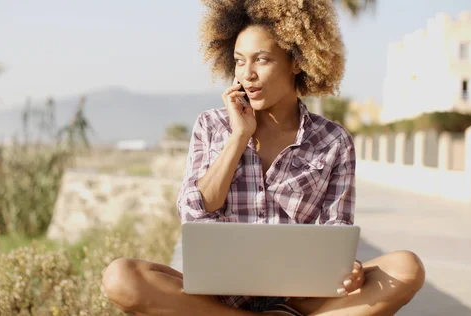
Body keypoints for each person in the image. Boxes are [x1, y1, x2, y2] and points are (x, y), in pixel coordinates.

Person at [102, 0, 426, 315]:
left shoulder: (333, 141)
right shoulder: (211, 125)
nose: (248, 74)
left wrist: (349, 269)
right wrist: (239, 136)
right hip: (219, 298)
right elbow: (193, 211)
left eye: (262, 60)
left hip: (301, 298)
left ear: (296, 61)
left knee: (406, 268)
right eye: (239, 61)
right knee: (121, 278)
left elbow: (336, 230)